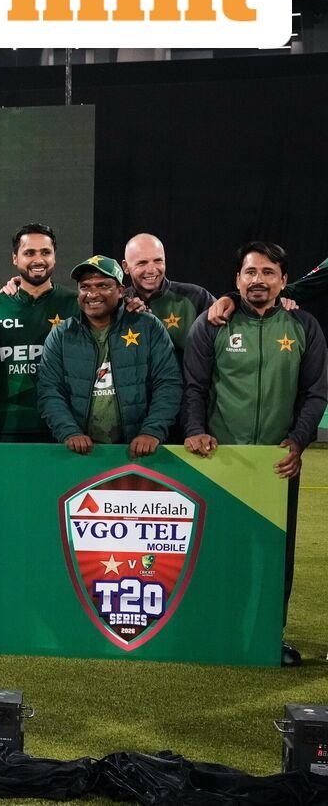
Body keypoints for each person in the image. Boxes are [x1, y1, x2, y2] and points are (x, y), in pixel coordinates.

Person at [181, 242, 326, 668]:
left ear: (284, 281)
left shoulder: (304, 326)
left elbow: (315, 392)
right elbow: (194, 387)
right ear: (237, 279)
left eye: (267, 273)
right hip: (220, 461)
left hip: (277, 465)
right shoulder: (212, 324)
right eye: (250, 272)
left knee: (275, 556)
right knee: (218, 550)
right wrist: (195, 430)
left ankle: (268, 637)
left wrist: (298, 441)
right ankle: (212, 634)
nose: (257, 280)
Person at [35, 256, 181, 459]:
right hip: (79, 454)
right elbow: (49, 391)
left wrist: (152, 431)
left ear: (121, 291)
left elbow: (168, 383)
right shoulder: (61, 335)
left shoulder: (148, 327)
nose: (92, 294)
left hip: (139, 453)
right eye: (85, 287)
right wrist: (69, 432)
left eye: (103, 286)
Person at [0, 223, 79, 442]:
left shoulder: (76, 305)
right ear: (15, 258)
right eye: (29, 253)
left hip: (65, 427)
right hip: (3, 427)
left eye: (45, 252)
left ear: (54, 257)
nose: (38, 260)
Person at [122, 233, 214, 366]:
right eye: (142, 263)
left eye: (158, 260)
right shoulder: (119, 305)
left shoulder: (196, 297)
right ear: (126, 267)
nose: (151, 269)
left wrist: (230, 299)